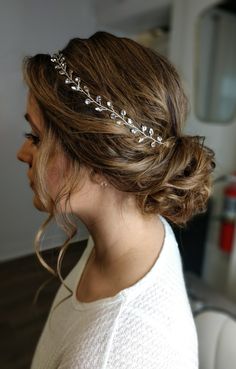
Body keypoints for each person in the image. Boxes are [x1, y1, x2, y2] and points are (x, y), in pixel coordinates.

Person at [17, 31, 215, 369]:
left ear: (99, 157)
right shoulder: (135, 231)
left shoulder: (112, 356)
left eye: (36, 137)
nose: (23, 153)